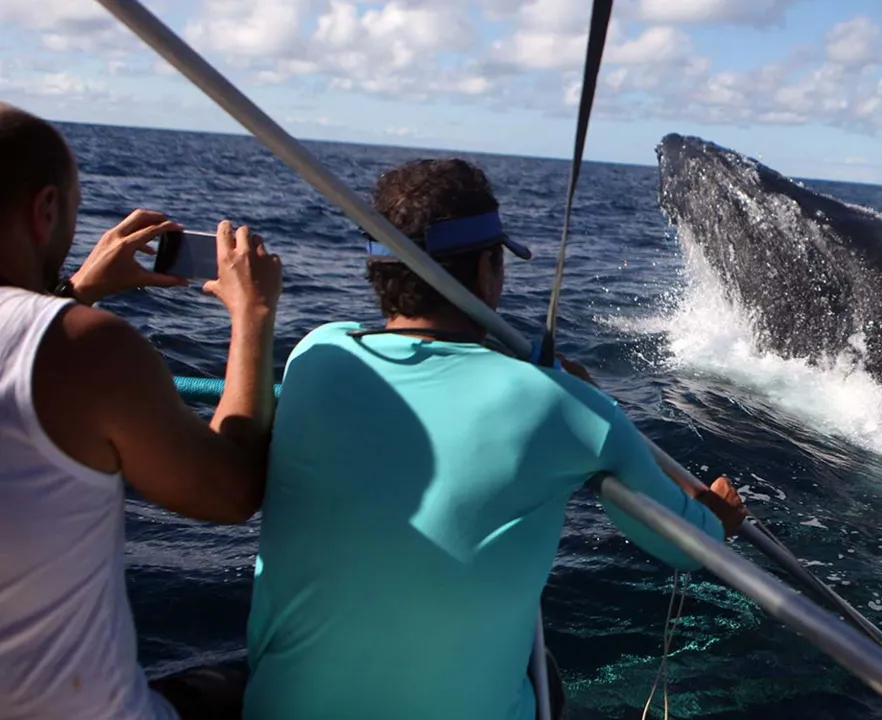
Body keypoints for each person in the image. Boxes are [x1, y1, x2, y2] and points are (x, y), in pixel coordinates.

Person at [244, 158, 747, 720]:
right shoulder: (564, 406)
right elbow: (685, 544)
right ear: (488, 268)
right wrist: (717, 518)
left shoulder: (316, 352)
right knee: (546, 677)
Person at [0, 104, 281, 719]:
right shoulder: (86, 348)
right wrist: (253, 315)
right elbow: (228, 493)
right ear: (44, 210)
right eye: (73, 210)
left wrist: (74, 290)